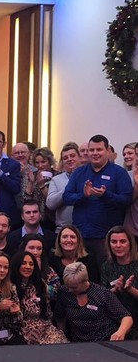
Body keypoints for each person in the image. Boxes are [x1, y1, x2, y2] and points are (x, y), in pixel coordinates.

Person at [63, 134, 132, 263]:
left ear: (107, 151)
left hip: (107, 238)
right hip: (81, 236)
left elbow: (127, 200)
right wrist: (83, 195)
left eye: (99, 149)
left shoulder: (118, 173)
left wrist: (106, 195)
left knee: (105, 276)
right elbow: (66, 197)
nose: (95, 153)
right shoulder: (79, 172)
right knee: (81, 275)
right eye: (92, 150)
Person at [55, 262, 132, 342]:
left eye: (74, 287)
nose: (70, 290)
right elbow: (60, 317)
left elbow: (127, 317)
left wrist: (120, 333)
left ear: (85, 281)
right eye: (68, 286)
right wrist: (61, 336)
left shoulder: (102, 293)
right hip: (78, 343)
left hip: (104, 340)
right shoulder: (64, 291)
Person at [10, 252, 68, 344]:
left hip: (44, 327)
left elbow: (47, 313)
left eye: (31, 264)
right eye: (23, 263)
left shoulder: (40, 285)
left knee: (61, 344)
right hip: (20, 329)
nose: (28, 267)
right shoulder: (10, 287)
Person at [100, 226, 138, 331]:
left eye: (122, 241)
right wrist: (115, 289)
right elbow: (102, 297)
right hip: (115, 320)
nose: (118, 245)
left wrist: (130, 289)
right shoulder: (106, 266)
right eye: (114, 242)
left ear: (130, 243)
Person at [46, 142, 80, 229]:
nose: (69, 159)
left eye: (72, 156)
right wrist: (70, 184)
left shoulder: (88, 175)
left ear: (80, 157)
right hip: (63, 230)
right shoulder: (56, 179)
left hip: (85, 229)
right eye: (65, 158)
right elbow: (50, 204)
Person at [18, 233, 60, 301]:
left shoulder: (49, 271)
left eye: (39, 249)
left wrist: (38, 274)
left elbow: (55, 294)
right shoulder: (14, 268)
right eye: (31, 248)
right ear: (24, 248)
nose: (35, 252)